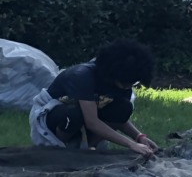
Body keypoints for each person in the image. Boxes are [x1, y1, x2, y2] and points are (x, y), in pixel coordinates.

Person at [29, 39, 157, 157]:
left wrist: (139, 137)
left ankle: (88, 148)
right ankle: (62, 149)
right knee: (73, 114)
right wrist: (131, 144)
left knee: (123, 107)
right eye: (127, 82)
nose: (128, 87)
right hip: (52, 115)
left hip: (86, 116)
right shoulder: (82, 76)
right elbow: (92, 122)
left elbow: (120, 119)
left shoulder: (121, 82)